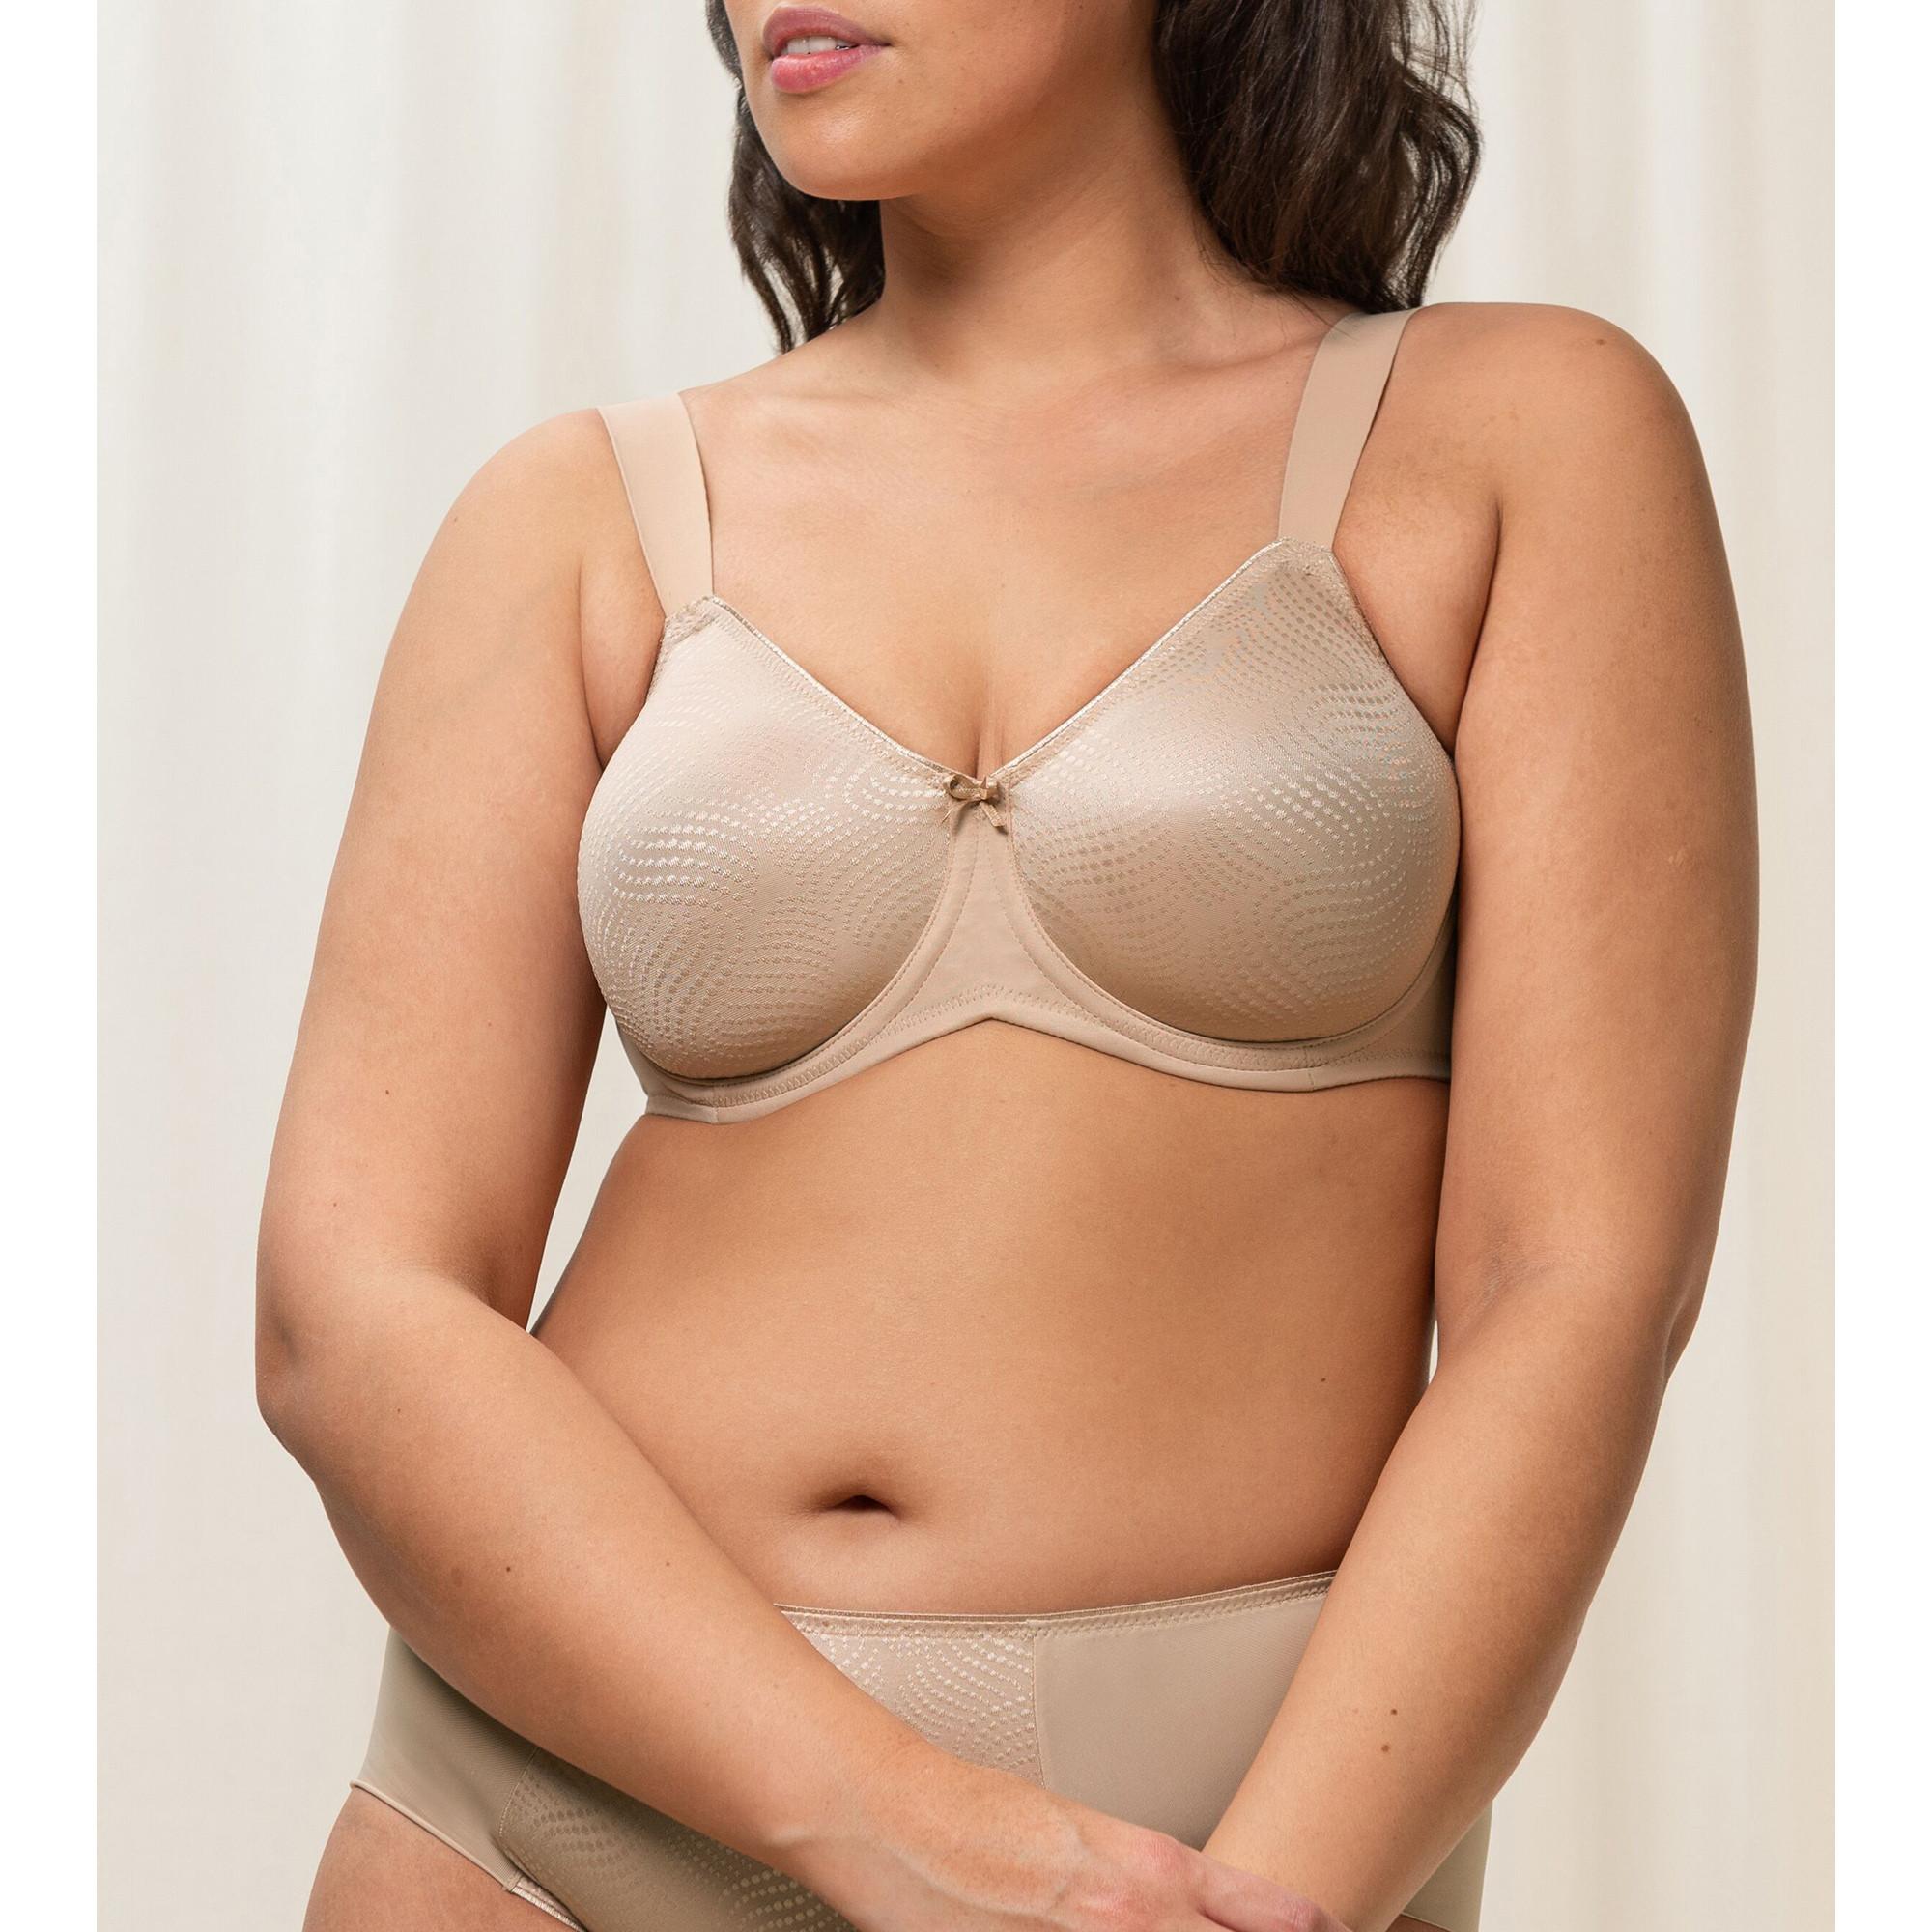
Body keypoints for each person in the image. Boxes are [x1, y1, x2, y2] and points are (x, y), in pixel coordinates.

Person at [255, 4, 1758, 1929]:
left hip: (1239, 1841)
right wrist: (894, 1825)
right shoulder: (578, 515)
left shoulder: (1510, 438)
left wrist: (1253, 1907)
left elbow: (1578, 1284)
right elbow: (350, 1307)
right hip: (555, 1816)